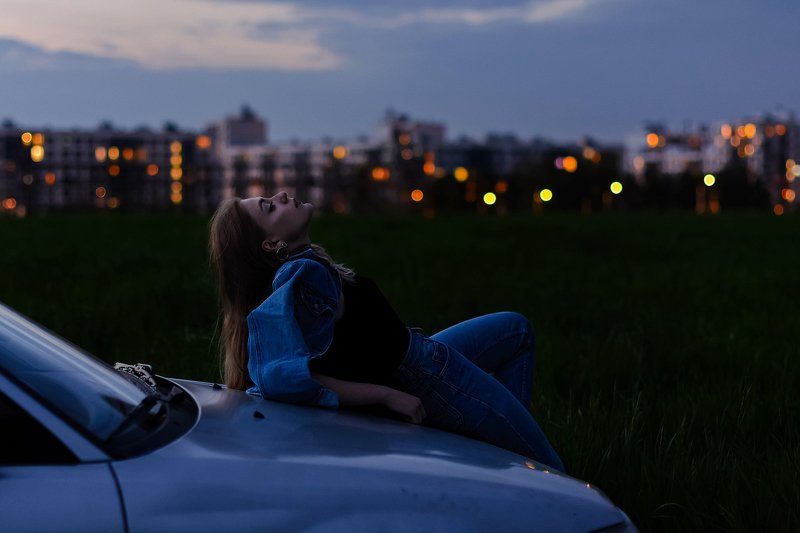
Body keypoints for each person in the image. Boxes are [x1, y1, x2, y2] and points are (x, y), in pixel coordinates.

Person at [208, 191, 565, 472]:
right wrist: (384, 396)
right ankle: (513, 468)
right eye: (270, 207)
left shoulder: (303, 270)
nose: (283, 195)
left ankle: (497, 454)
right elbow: (281, 376)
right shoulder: (302, 278)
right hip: (429, 376)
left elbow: (302, 366)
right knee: (550, 470)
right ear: (271, 244)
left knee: (515, 329)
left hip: (419, 359)